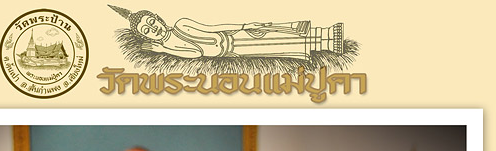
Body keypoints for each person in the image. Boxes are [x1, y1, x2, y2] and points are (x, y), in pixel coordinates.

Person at [111, 7, 344, 60]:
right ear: (145, 37)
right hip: (233, 52)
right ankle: (325, 45)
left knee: (279, 34)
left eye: (152, 22)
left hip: (233, 39)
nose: (154, 28)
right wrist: (164, 48)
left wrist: (244, 26)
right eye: (147, 30)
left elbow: (213, 29)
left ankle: (326, 33)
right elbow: (194, 53)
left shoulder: (181, 24)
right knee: (280, 47)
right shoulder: (168, 45)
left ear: (158, 17)